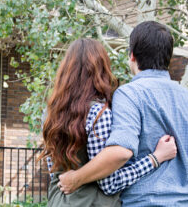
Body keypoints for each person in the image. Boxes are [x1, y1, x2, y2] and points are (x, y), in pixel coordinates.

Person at [58, 21, 188, 206]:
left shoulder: (129, 94)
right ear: (168, 58)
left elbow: (121, 152)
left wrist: (76, 179)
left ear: (132, 56)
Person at [40, 38, 177, 207]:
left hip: (57, 201)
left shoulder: (49, 113)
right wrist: (156, 158)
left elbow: (55, 172)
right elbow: (109, 184)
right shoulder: (98, 113)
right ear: (101, 69)